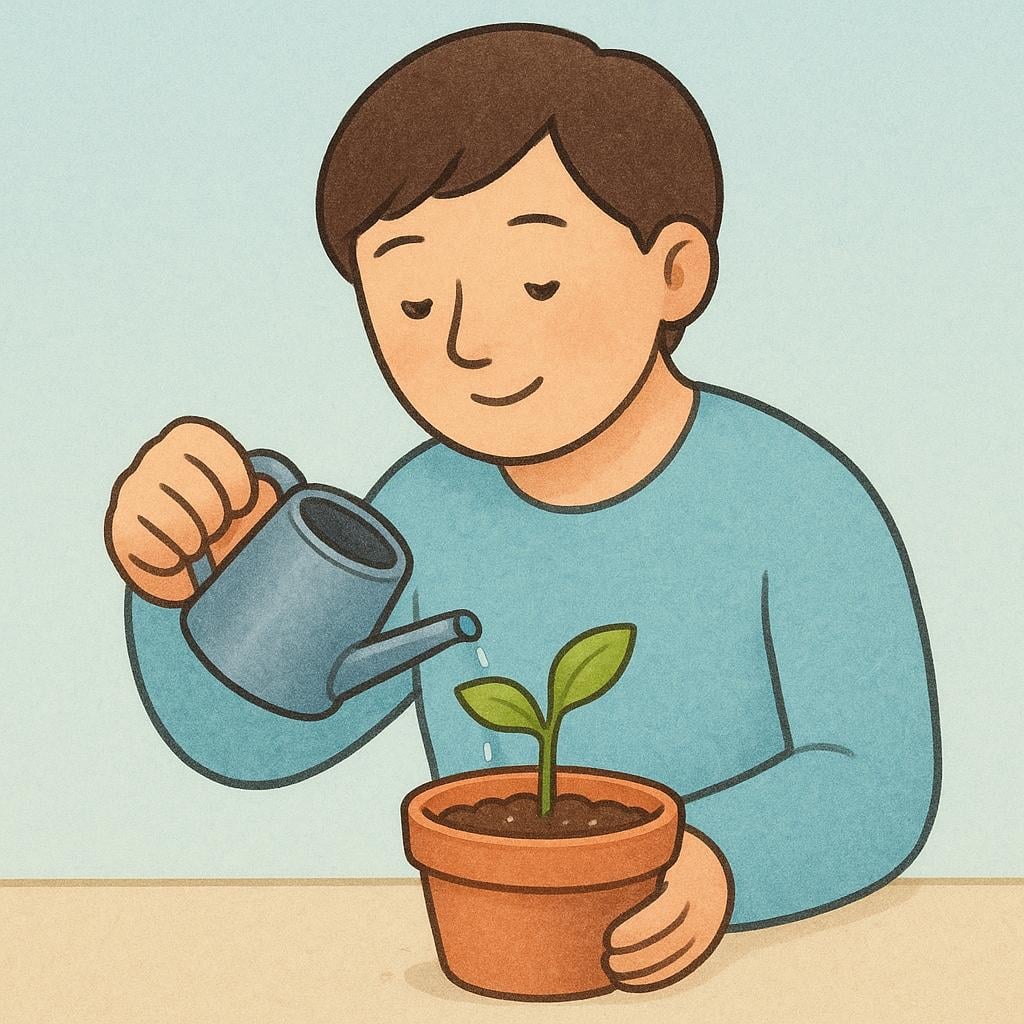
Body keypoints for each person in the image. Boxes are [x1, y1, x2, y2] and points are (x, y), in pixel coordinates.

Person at [104, 24, 939, 990]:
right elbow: (260, 739)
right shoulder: (422, 511)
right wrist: (183, 579)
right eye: (414, 303)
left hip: (760, 969)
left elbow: (877, 776)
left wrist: (723, 865)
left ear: (675, 271)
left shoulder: (800, 498)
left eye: (538, 283)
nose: (467, 343)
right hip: (487, 961)